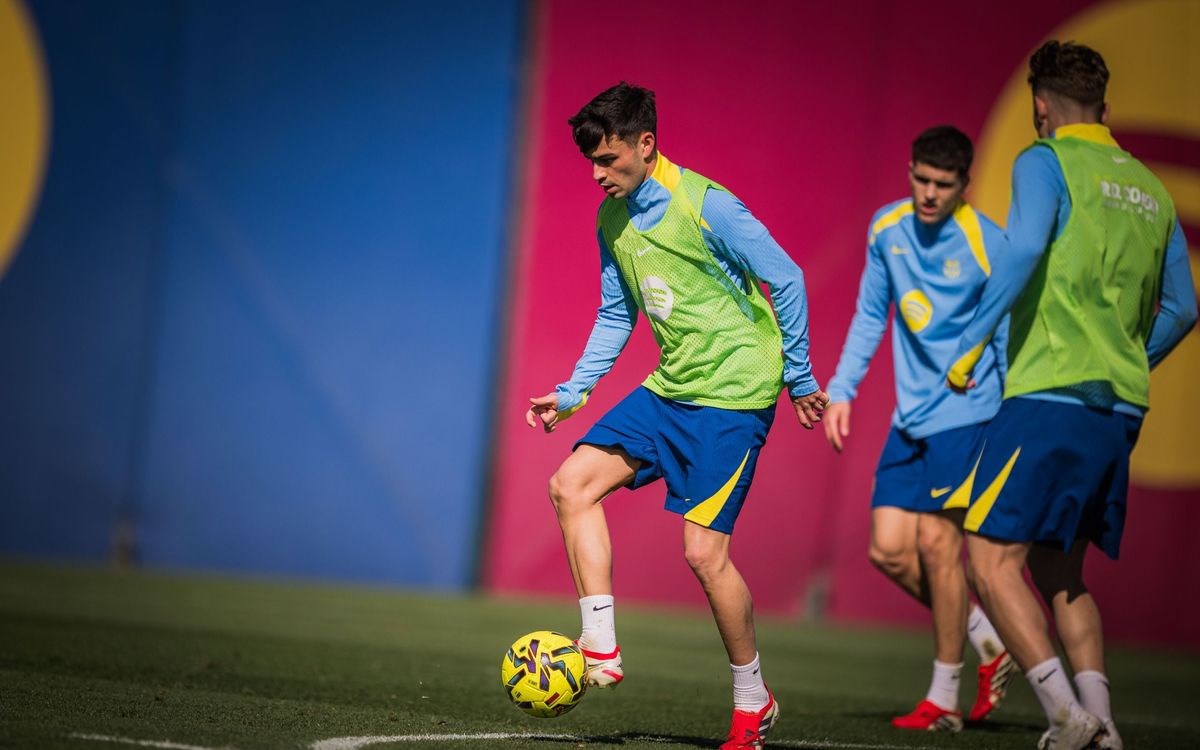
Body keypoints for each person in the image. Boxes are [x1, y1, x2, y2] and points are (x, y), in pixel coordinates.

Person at [525, 81, 829, 750]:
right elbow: (615, 313)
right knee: (569, 486)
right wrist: (574, 391)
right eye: (591, 165)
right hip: (670, 391)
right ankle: (599, 646)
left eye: (609, 160)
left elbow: (786, 277)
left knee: (703, 553)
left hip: (734, 397)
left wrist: (801, 376)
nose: (599, 175)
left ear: (646, 145)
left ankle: (754, 700)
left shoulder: (707, 205)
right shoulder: (612, 219)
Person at [946, 41, 1198, 750]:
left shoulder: (1044, 160)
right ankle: (1105, 725)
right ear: (1106, 109)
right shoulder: (1149, 187)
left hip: (1048, 393)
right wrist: (1123, 362)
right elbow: (1184, 308)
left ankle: (1065, 715)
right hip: (1118, 408)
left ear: (1040, 106)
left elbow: (1023, 249)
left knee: (989, 560)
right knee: (1062, 572)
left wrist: (969, 345)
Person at [823, 125, 1017, 732]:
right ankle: (990, 639)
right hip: (911, 419)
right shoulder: (887, 230)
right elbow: (869, 313)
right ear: (910, 171)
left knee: (938, 547)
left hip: (970, 415)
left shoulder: (990, 244)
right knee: (888, 550)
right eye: (921, 180)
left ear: (965, 184)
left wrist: (1011, 411)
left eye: (943, 184)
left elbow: (1008, 335)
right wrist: (843, 390)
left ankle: (943, 700)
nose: (929, 193)